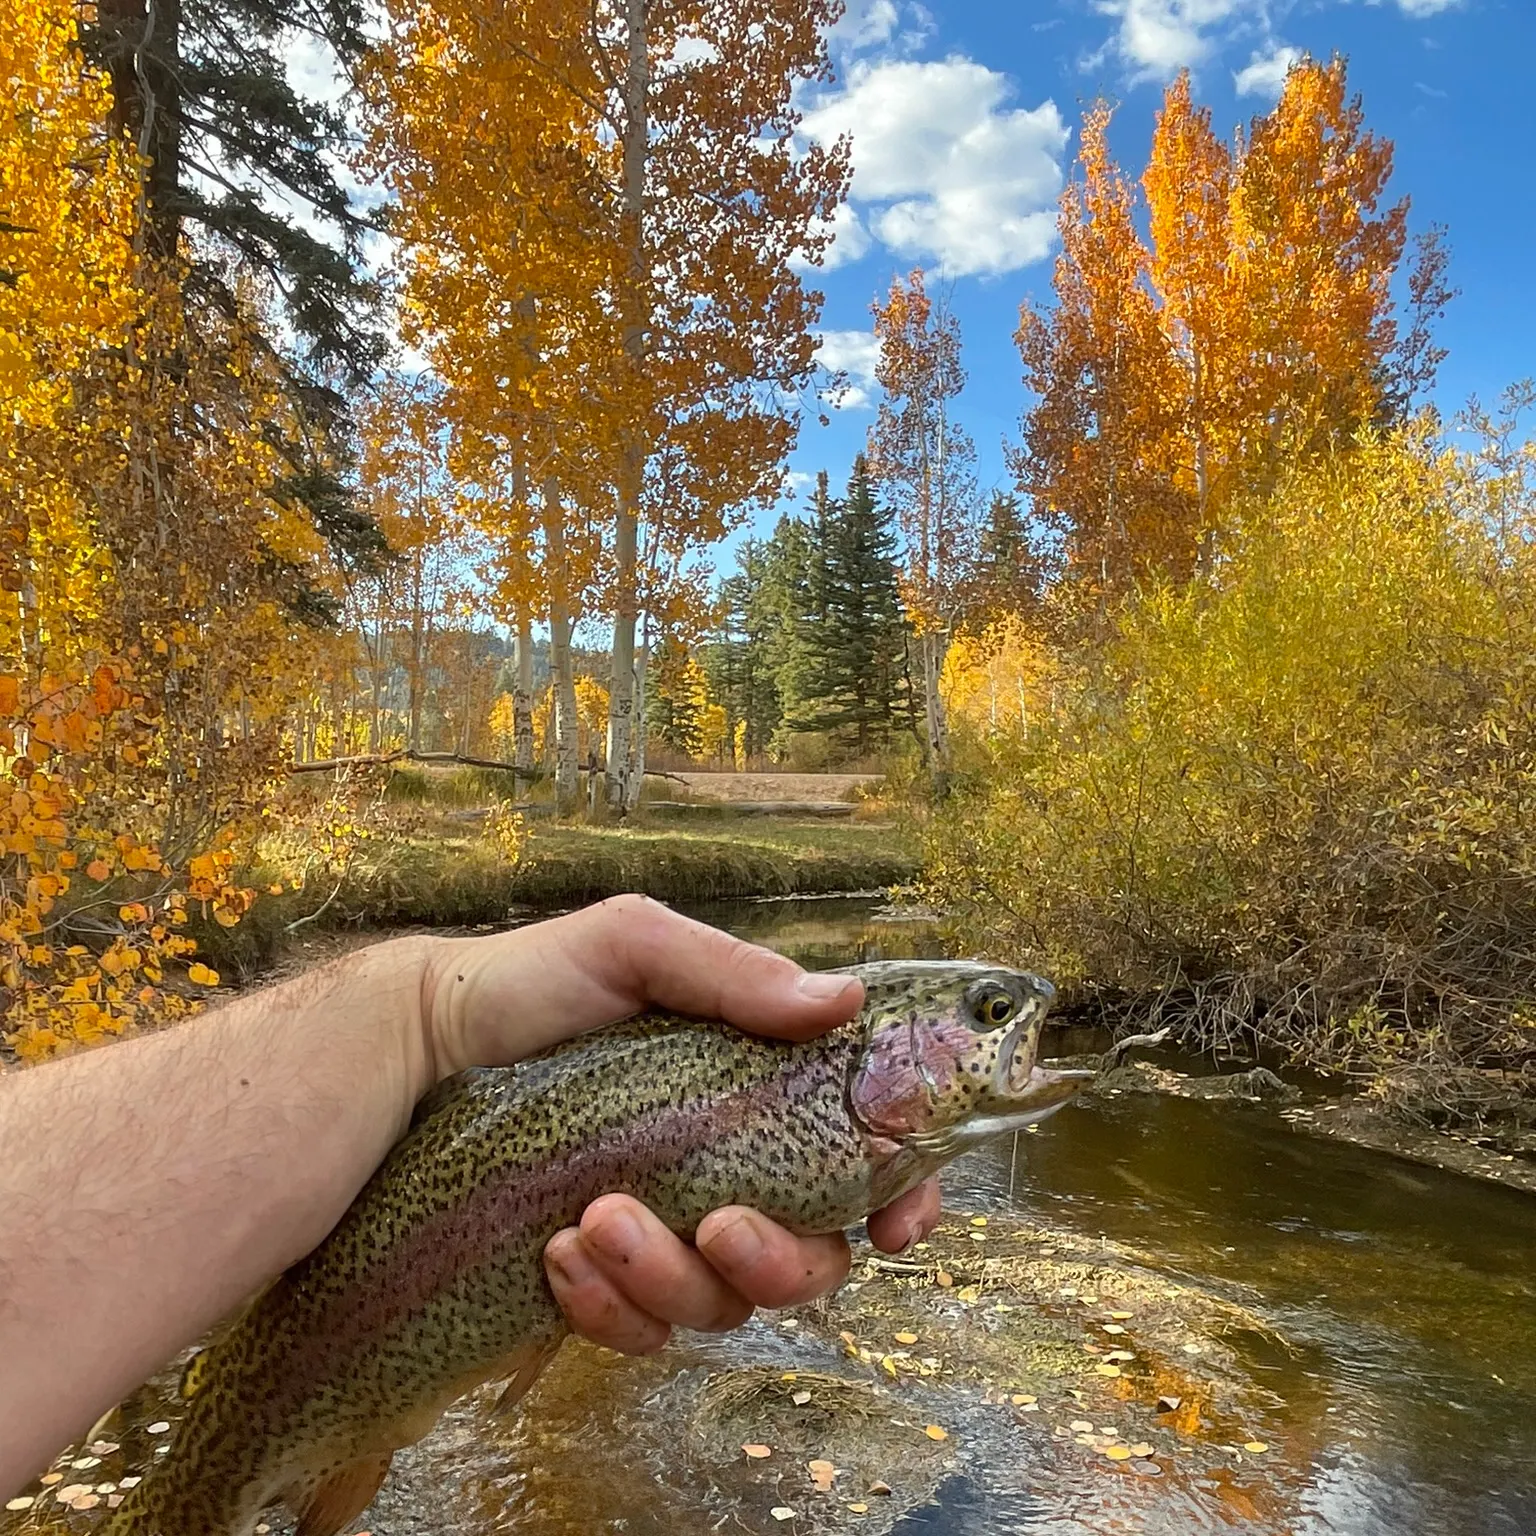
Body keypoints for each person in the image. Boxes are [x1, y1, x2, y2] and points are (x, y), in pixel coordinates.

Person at [0, 895, 940, 1497]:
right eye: (984, 1016)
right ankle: (201, 1499)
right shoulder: (841, 1074)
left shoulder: (874, 1135)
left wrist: (423, 1016)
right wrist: (419, 1019)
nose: (1002, 1028)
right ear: (885, 1047)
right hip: (292, 1365)